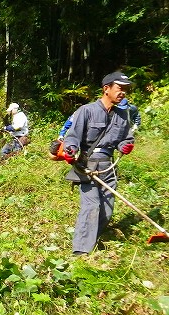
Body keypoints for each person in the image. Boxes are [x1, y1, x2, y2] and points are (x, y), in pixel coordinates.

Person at [62, 71, 135, 256]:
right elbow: (72, 137)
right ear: (106, 89)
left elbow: (125, 138)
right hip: (87, 165)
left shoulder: (122, 115)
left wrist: (125, 145)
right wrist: (71, 151)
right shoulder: (86, 111)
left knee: (107, 211)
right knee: (91, 205)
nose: (123, 93)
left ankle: (91, 240)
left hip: (108, 167)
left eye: (125, 89)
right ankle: (81, 251)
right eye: (120, 88)